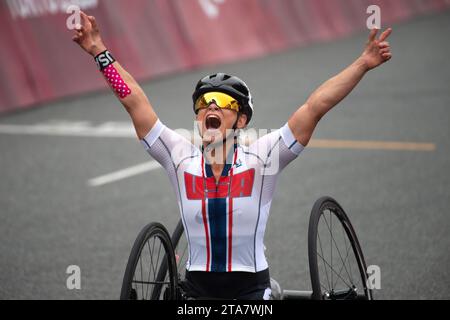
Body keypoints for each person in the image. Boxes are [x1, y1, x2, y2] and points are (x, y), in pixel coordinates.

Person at [72, 11, 392, 300]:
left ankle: (273, 293)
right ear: (198, 116)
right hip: (195, 291)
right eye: (205, 102)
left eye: (224, 103)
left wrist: (362, 63)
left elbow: (315, 106)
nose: (212, 106)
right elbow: (134, 102)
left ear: (241, 121)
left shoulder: (263, 157)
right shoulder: (179, 157)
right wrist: (100, 51)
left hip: (251, 289)